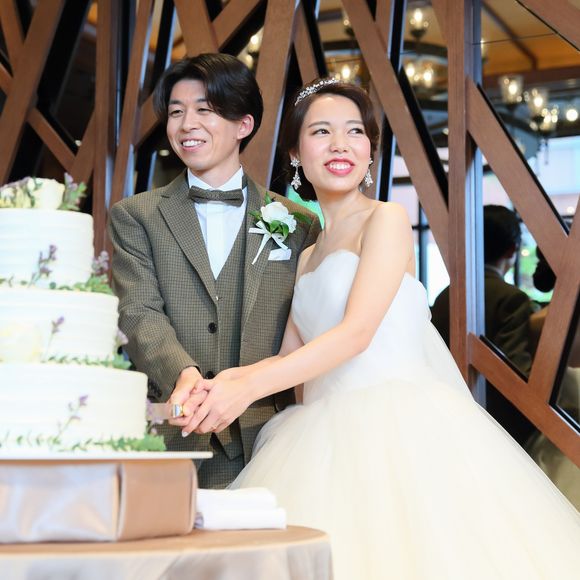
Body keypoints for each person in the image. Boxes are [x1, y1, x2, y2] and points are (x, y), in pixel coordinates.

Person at [175, 79, 580, 579]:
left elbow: (356, 334)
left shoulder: (386, 219)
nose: (340, 145)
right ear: (296, 153)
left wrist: (248, 387)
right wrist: (222, 384)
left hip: (401, 428)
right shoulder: (305, 256)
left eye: (354, 132)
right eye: (321, 132)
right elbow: (288, 361)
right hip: (319, 440)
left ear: (369, 152)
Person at [108, 53, 320, 488]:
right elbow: (138, 311)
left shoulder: (299, 223)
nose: (187, 124)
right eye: (176, 112)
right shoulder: (136, 216)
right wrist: (183, 375)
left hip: (268, 443)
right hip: (173, 434)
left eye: (204, 110)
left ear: (244, 124)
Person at [431, 204, 536, 445]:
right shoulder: (512, 299)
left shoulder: (446, 296)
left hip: (446, 419)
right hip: (499, 427)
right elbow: (517, 372)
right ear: (512, 250)